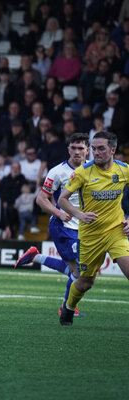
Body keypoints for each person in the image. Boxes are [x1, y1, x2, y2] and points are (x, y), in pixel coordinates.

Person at [56, 131, 129, 326]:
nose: (96, 152)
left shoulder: (124, 170)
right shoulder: (82, 172)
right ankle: (68, 307)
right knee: (85, 283)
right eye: (94, 148)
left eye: (101, 148)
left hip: (116, 231)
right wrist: (79, 215)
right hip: (90, 236)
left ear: (112, 150)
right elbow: (62, 199)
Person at [15, 133, 89, 316]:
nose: (77, 151)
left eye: (81, 148)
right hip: (64, 227)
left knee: (79, 271)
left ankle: (36, 257)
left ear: (88, 150)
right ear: (68, 149)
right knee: (80, 272)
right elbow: (41, 199)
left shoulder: (93, 170)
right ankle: (67, 308)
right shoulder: (57, 172)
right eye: (73, 148)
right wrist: (59, 213)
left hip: (85, 228)